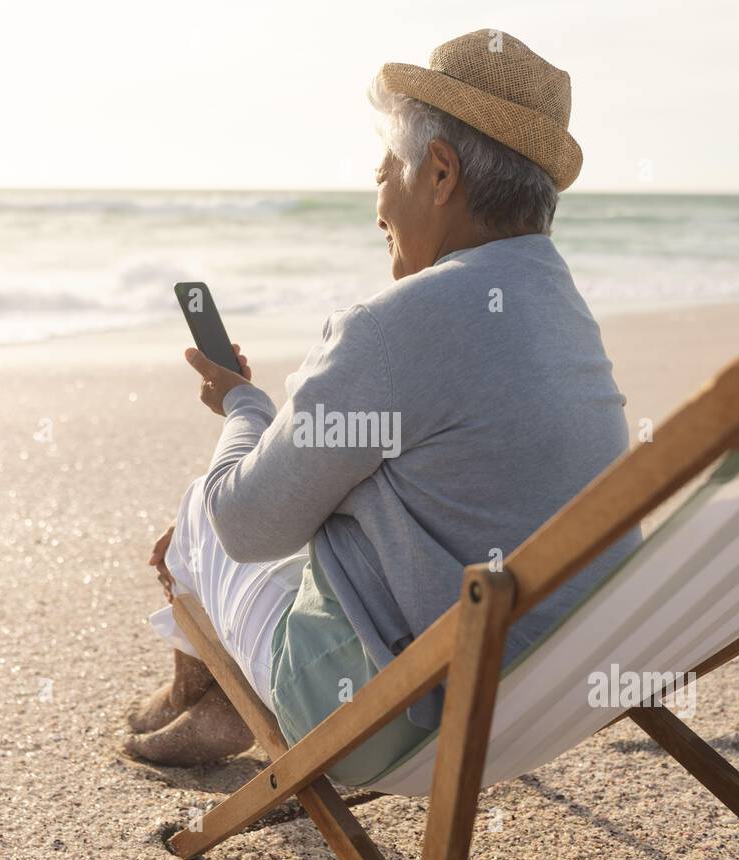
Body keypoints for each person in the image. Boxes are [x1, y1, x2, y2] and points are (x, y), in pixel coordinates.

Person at [122, 29, 641, 786]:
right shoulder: (564, 311)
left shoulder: (393, 326)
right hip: (542, 697)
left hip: (384, 717)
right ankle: (211, 696)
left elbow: (246, 526)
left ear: (438, 172)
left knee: (204, 508)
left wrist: (243, 407)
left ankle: (211, 696)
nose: (378, 209)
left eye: (382, 172)